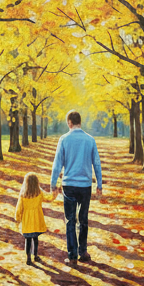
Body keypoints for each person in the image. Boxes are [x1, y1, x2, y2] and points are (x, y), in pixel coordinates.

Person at [50, 110, 103, 263]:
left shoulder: (64, 139)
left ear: (70, 123)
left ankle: (72, 256)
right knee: (83, 219)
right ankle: (83, 252)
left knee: (70, 220)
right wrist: (99, 184)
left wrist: (53, 184)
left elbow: (57, 164)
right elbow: (97, 163)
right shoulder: (90, 140)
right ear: (80, 122)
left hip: (69, 185)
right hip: (85, 185)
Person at [14, 172, 52, 266]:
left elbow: (19, 208)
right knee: (35, 239)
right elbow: (48, 197)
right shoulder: (39, 193)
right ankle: (35, 256)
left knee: (28, 240)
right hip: (37, 221)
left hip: (27, 222)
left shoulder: (23, 195)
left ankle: (28, 258)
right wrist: (55, 192)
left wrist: (18, 218)